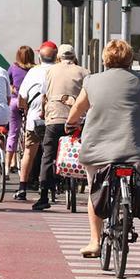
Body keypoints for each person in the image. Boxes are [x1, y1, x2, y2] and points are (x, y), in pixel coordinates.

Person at [65, 40, 140, 258]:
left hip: (98, 148)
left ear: (106, 58)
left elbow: (78, 108)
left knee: (95, 191)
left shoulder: (92, 81)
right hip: (134, 146)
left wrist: (70, 124)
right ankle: (129, 207)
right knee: (137, 176)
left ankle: (94, 242)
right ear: (129, 58)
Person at [34, 44, 89, 211]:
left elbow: (44, 95)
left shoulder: (50, 71)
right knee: (83, 150)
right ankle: (84, 183)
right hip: (76, 119)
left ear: (59, 56)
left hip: (54, 117)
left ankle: (44, 195)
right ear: (73, 56)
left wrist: (43, 113)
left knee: (48, 154)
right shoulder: (84, 72)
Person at [14, 41, 57, 201]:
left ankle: (22, 188)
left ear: (40, 57)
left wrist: (25, 109)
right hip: (56, 118)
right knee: (52, 153)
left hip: (35, 119)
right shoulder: (58, 71)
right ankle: (51, 186)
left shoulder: (33, 72)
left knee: (29, 152)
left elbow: (22, 97)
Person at [6, 46, 35, 175]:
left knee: (13, 132)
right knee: (29, 131)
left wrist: (13, 87)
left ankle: (7, 165)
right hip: (29, 103)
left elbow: (8, 82)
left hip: (15, 101)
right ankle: (26, 163)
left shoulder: (13, 67)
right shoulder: (35, 69)